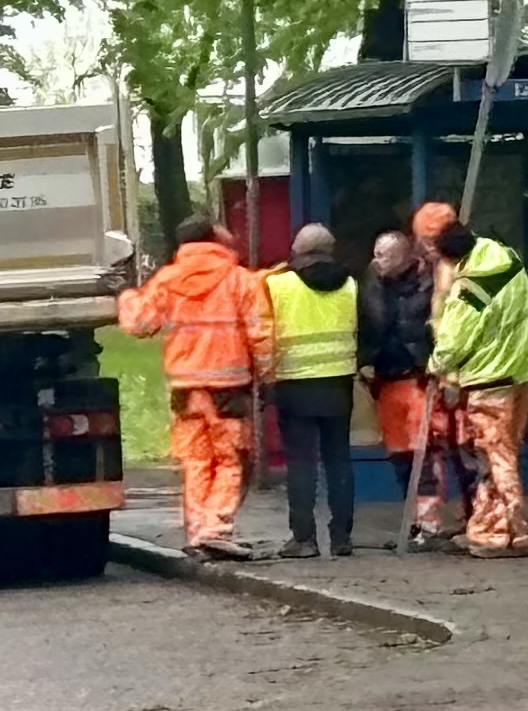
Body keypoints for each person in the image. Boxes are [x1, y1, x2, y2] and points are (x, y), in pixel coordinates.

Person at [120, 213, 275, 558]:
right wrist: (267, 376)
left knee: (195, 461)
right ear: (214, 239)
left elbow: (140, 323)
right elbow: (260, 335)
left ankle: (198, 531)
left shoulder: (168, 280)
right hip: (229, 387)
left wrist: (127, 296)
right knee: (231, 460)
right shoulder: (240, 281)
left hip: (186, 388)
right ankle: (216, 529)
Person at [426, 217, 528, 556]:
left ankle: (507, 534)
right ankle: (486, 526)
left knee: (493, 455)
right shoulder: (505, 257)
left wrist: (436, 366)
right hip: (521, 370)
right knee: (503, 450)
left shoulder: (469, 289)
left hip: (489, 377)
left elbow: (454, 342)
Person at [256, 223, 360, 558]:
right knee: (339, 461)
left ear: (297, 251)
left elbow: (262, 333)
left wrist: (263, 378)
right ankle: (342, 538)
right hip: (339, 383)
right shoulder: (350, 285)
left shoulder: (277, 285)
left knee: (301, 463)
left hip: (294, 384)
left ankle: (304, 539)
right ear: (330, 251)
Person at [353, 229, 447, 547]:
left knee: (424, 453)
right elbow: (370, 327)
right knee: (400, 456)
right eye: (376, 254)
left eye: (384, 255)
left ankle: (429, 523)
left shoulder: (429, 282)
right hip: (386, 380)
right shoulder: (373, 285)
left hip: (418, 378)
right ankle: (414, 521)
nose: (376, 261)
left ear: (405, 257)